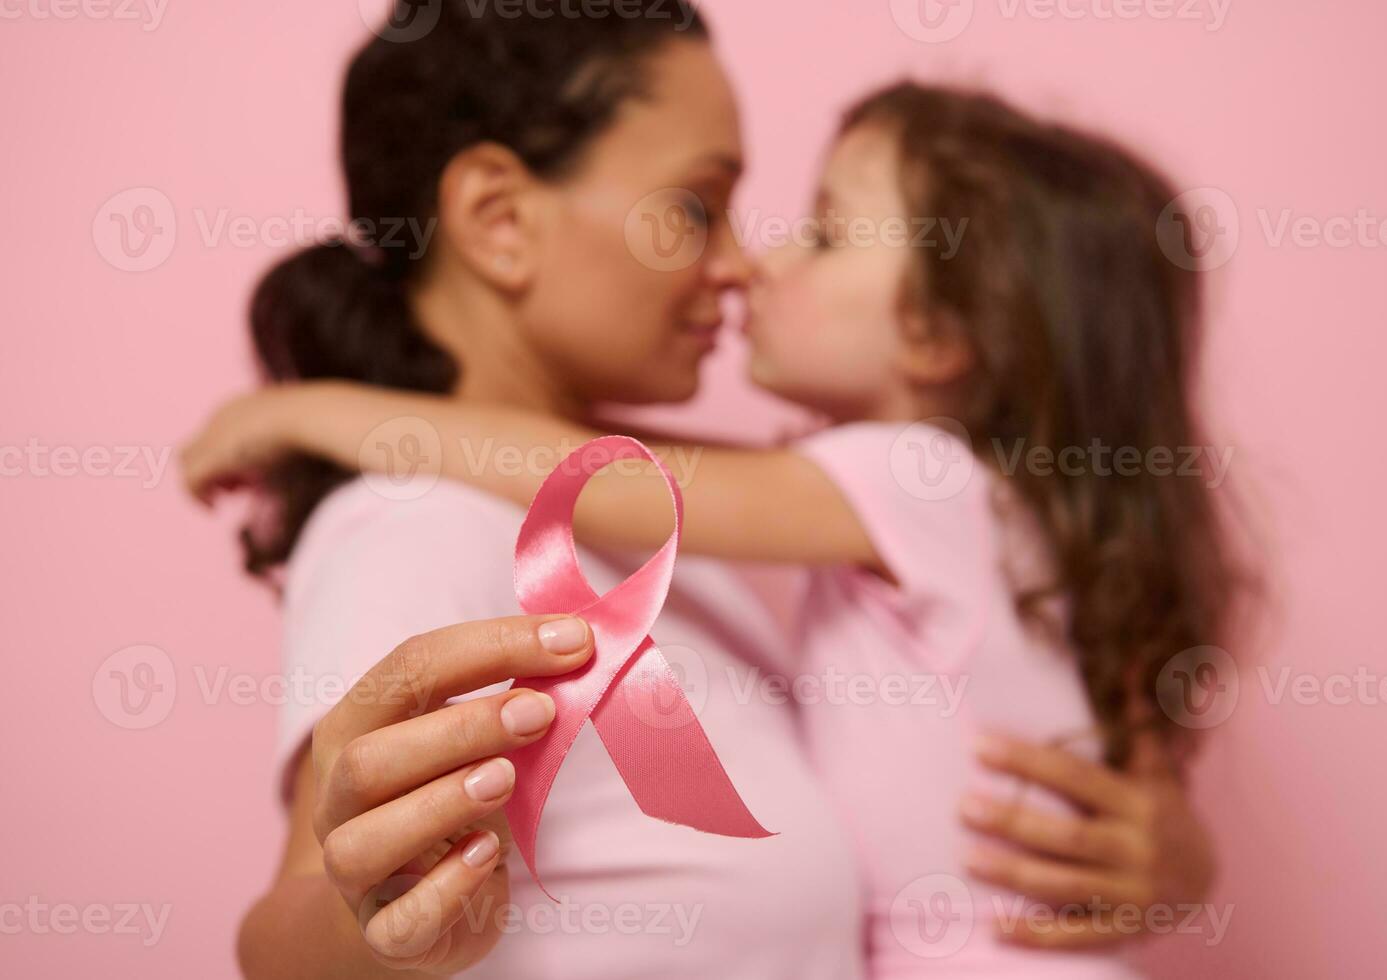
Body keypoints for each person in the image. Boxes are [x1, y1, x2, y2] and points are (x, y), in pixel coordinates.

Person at [189, 4, 1220, 976]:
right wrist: (371, 932)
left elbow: (628, 473)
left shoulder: (707, 547)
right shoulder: (415, 523)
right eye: (696, 205)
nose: (744, 263)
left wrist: (1167, 845)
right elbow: (301, 916)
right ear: (498, 218)